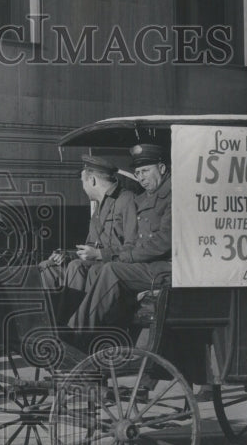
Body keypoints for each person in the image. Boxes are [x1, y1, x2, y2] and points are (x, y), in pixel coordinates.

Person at [68, 142, 171, 332]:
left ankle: (77, 333)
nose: (141, 178)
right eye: (138, 173)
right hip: (146, 265)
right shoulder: (143, 199)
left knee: (111, 271)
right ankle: (102, 335)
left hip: (165, 268)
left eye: (146, 171)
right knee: (99, 270)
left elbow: (163, 242)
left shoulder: (173, 197)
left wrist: (121, 257)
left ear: (162, 168)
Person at [38, 154, 137, 323]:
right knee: (47, 268)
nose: (83, 188)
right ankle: (49, 324)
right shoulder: (99, 206)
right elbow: (90, 247)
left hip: (113, 268)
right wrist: (67, 254)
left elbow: (133, 248)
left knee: (77, 267)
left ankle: (67, 329)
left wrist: (99, 254)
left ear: (92, 181)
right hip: (94, 265)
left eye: (83, 182)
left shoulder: (127, 200)